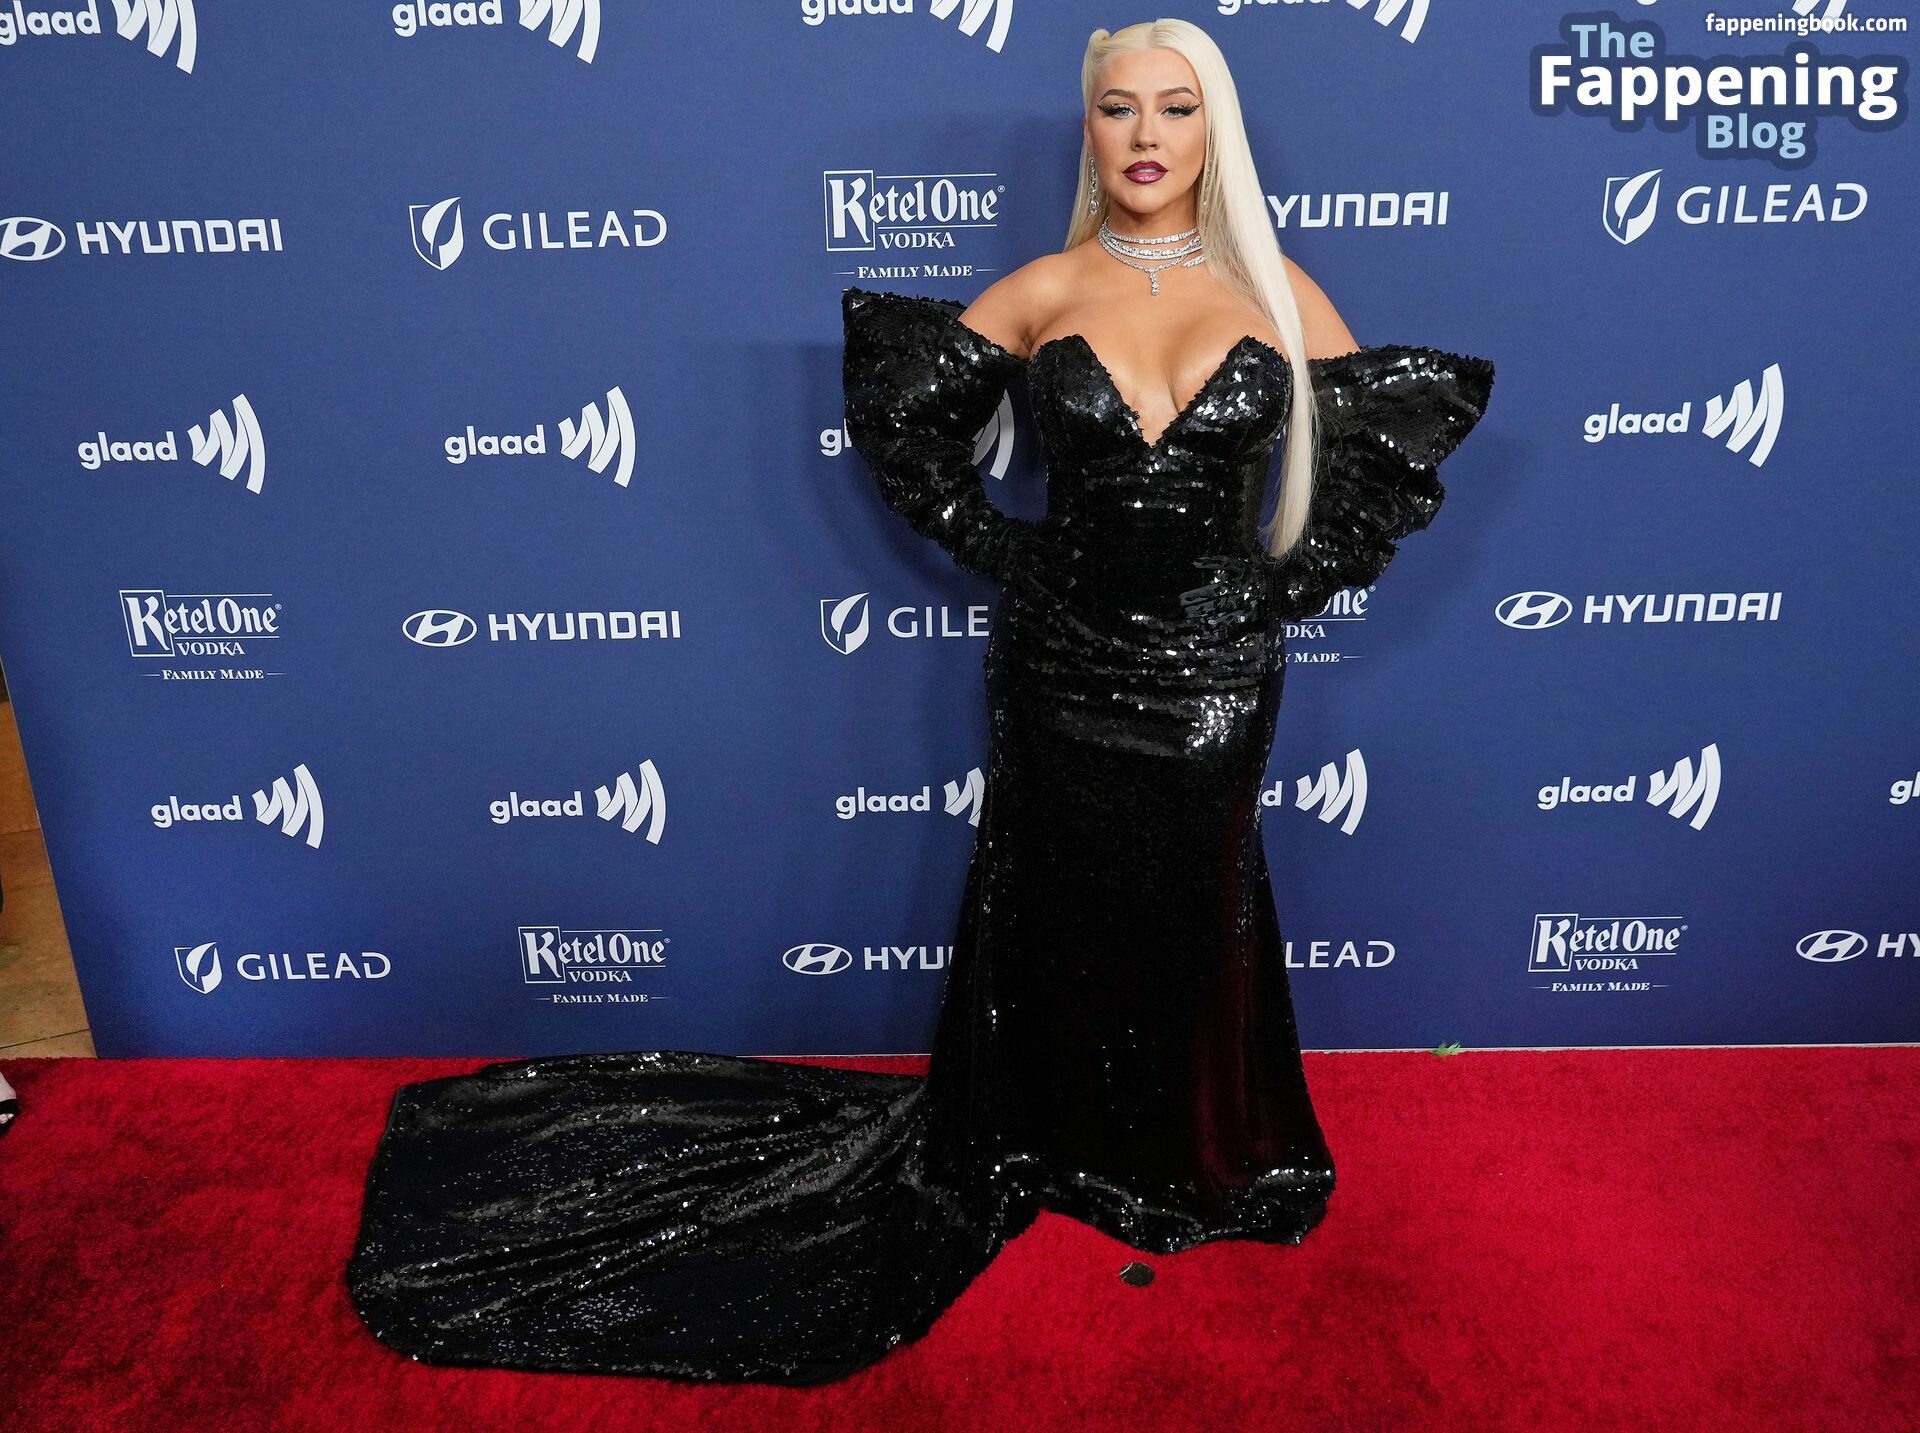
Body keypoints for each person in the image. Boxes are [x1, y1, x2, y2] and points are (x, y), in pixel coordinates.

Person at [346, 18, 1494, 1385]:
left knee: (1196, 897)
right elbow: (903, 421)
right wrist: (1006, 546)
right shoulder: (1046, 287)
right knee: (1050, 894)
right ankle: (1039, 1137)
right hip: (1060, 664)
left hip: (1212, 676)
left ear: (1213, 131)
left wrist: (1273, 588)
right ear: (1089, 128)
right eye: (1118, 108)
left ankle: (1176, 1150)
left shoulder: (1279, 293)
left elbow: (1378, 464)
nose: (1144, 135)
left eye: (1175, 108)